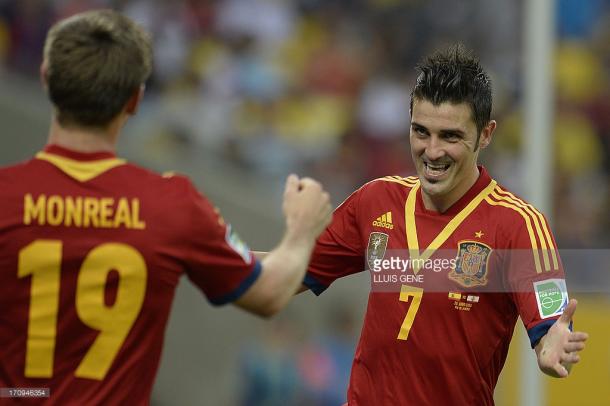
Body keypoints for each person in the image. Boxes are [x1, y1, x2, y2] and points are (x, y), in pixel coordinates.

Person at [0, 9, 332, 405]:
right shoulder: (172, 204)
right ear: (136, 100)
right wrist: (302, 228)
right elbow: (270, 292)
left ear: (45, 78)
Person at [301, 45, 589, 405]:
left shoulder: (517, 225)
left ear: (485, 134)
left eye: (450, 137)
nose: (432, 152)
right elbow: (283, 272)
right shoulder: (376, 200)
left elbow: (551, 326)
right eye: (421, 132)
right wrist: (216, 249)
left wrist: (552, 347)